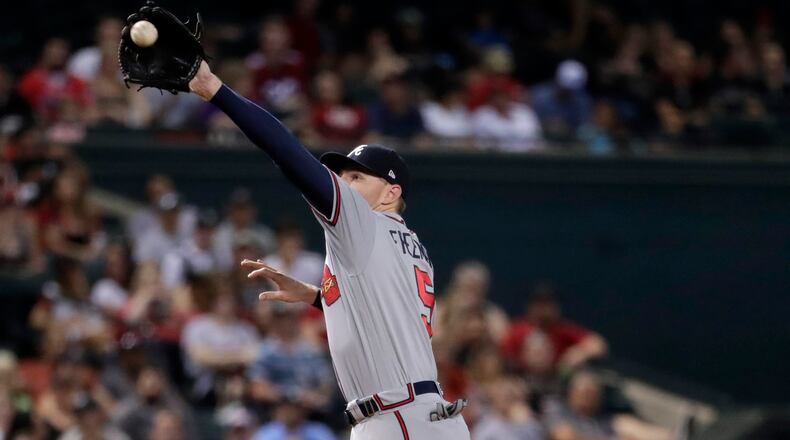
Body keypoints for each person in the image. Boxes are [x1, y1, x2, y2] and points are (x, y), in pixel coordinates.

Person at [189, 59, 470, 439]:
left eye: (357, 176)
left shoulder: (361, 221)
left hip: (398, 417)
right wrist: (319, 297)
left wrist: (215, 90)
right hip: (419, 415)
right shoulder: (412, 245)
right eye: (343, 175)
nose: (344, 183)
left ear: (391, 192)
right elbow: (382, 312)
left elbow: (287, 152)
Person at [500, 285, 608, 374]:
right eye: (539, 304)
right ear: (530, 306)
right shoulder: (517, 330)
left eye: (548, 304)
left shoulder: (563, 329)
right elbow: (502, 355)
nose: (543, 310)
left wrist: (577, 354)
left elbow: (598, 345)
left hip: (555, 380)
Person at [262, 222, 323, 287]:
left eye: (295, 237)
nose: (291, 242)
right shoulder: (268, 262)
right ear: (278, 240)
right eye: (287, 238)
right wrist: (288, 263)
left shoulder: (315, 261)